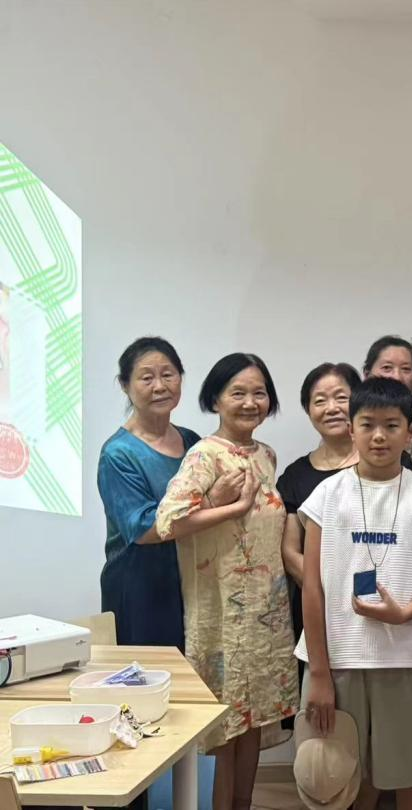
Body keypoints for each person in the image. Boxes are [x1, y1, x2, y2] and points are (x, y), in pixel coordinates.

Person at [298, 376, 412, 810]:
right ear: (351, 429)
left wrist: (406, 613)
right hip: (338, 663)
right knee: (333, 780)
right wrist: (319, 673)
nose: (379, 436)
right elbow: (312, 586)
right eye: (367, 424)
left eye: (391, 425)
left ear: (410, 432)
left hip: (407, 661)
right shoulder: (327, 495)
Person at [156, 353, 298, 810]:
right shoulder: (204, 455)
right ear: (215, 399)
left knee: (253, 722)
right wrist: (231, 508)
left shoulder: (266, 455)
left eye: (259, 393)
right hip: (221, 615)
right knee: (223, 726)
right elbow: (169, 521)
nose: (250, 402)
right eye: (238, 393)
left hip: (265, 613)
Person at [98, 337, 239, 649]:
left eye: (168, 375)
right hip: (141, 586)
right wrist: (213, 501)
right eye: (146, 377)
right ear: (125, 385)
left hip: (192, 578)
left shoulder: (192, 441)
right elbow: (145, 529)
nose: (160, 386)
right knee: (149, 674)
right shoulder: (118, 454)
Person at [278, 362, 362, 656]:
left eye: (341, 397)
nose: (332, 408)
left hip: (376, 603)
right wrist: (331, 590)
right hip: (317, 607)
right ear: (308, 410)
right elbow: (291, 552)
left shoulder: (388, 463)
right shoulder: (294, 476)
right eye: (320, 400)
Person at [363, 335, 412, 467]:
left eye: (406, 369)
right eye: (387, 368)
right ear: (366, 374)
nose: (397, 377)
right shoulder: (349, 422)